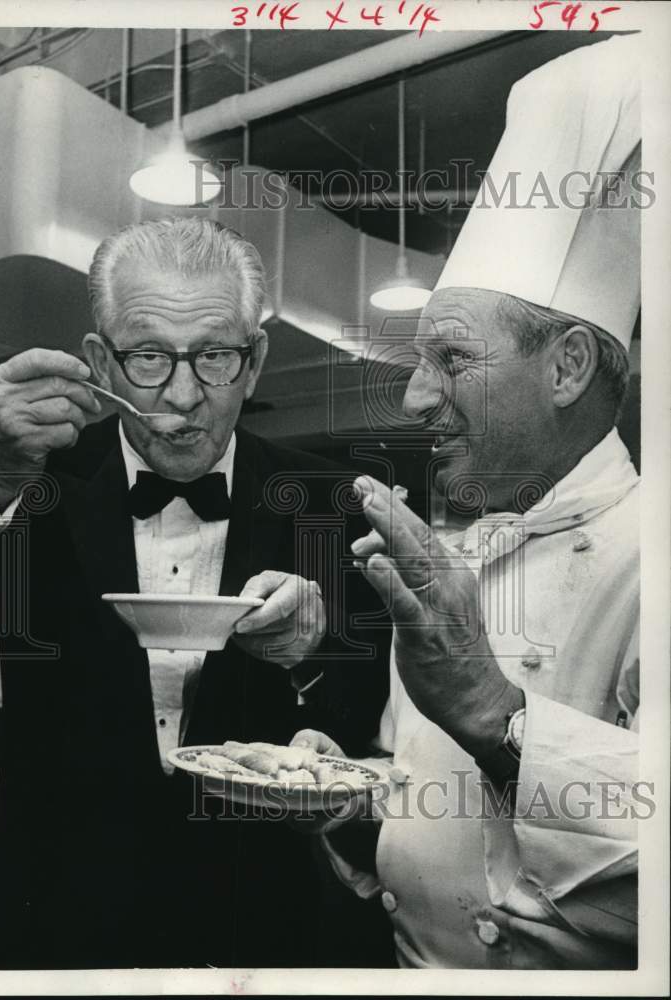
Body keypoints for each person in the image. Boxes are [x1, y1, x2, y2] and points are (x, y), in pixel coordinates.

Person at [0, 217, 390, 968]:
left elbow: (378, 720)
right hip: (51, 913)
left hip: (262, 919)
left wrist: (313, 652)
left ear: (254, 363)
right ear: (99, 362)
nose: (182, 397)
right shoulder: (31, 472)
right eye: (147, 355)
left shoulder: (326, 500)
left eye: (214, 355)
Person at [295, 34, 644, 969]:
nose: (413, 398)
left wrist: (494, 710)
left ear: (567, 364)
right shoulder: (471, 549)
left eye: (450, 360)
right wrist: (353, 796)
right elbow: (431, 792)